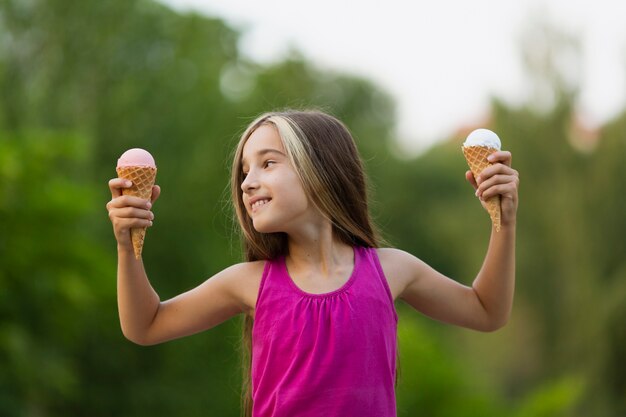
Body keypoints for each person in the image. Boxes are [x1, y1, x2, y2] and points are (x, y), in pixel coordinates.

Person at [106, 109, 519, 417]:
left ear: (321, 170)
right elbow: (145, 325)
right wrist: (127, 247)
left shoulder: (393, 269)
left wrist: (504, 221)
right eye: (245, 171)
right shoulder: (248, 282)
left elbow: (487, 311)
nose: (248, 182)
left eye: (268, 163)